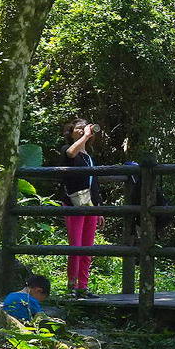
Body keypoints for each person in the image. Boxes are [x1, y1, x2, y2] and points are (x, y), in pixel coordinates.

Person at [60, 118, 104, 299]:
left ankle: (83, 287)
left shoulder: (88, 157)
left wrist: (99, 208)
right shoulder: (67, 150)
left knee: (87, 248)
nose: (81, 131)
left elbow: (93, 183)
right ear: (70, 132)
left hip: (90, 205)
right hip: (73, 205)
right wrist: (85, 136)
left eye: (84, 129)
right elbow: (71, 153)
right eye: (77, 129)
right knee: (75, 247)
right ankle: (72, 286)